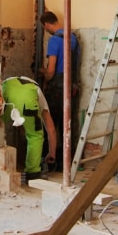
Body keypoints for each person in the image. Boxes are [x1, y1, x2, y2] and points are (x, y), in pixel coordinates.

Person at [39, 11, 79, 164]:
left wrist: (43, 73)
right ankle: (67, 162)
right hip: (72, 86)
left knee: (50, 124)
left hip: (57, 88)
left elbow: (51, 71)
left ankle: (49, 159)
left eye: (45, 27)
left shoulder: (54, 40)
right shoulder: (73, 38)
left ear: (47, 25)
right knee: (67, 124)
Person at [0, 75, 55, 182]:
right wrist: (51, 153)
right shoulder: (40, 97)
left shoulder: (18, 79)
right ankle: (33, 173)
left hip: (6, 87)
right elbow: (51, 129)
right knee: (35, 135)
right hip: (28, 96)